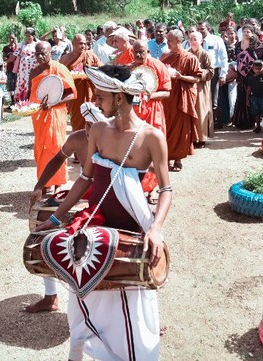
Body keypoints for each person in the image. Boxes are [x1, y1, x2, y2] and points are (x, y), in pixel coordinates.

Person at [35, 65, 172, 361]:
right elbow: (84, 179)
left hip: (131, 230)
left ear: (119, 98)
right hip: (96, 226)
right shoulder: (97, 130)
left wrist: (156, 229)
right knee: (84, 294)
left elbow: (165, 190)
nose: (96, 102)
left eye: (101, 97)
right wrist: (56, 218)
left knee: (129, 304)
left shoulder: (151, 137)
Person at [24, 102, 106, 314]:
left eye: (93, 126)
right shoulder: (78, 138)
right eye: (87, 125)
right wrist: (39, 186)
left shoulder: (115, 140)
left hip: (108, 196)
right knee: (43, 228)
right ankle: (50, 296)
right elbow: (59, 158)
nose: (89, 131)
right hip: (82, 192)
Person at [29, 41, 77, 196]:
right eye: (38, 53)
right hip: (38, 116)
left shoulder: (58, 69)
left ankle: (58, 183)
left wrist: (51, 103)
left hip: (55, 115)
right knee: (40, 150)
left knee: (56, 147)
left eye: (44, 53)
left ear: (51, 53)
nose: (41, 56)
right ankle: (45, 182)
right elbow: (32, 96)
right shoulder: (34, 71)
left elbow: (71, 94)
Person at [160, 28, 200, 172]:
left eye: (169, 40)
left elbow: (196, 78)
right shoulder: (165, 56)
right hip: (166, 98)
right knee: (166, 127)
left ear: (178, 41)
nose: (167, 42)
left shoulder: (190, 58)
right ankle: (166, 158)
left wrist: (180, 77)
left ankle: (178, 159)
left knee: (180, 129)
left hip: (182, 99)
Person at [60, 33, 102, 132]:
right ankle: (78, 141)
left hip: (89, 91)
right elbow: (60, 74)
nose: (83, 46)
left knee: (92, 117)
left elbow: (101, 68)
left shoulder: (90, 54)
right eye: (80, 43)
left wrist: (92, 70)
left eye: (84, 43)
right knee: (77, 118)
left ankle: (93, 142)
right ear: (73, 44)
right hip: (74, 94)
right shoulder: (65, 58)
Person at [129, 38, 171, 137]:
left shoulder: (157, 65)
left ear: (148, 52)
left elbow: (166, 93)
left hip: (153, 109)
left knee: (154, 142)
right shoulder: (129, 68)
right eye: (135, 52)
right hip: (134, 111)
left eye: (141, 52)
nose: (138, 55)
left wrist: (149, 96)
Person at [232, 25, 263, 129]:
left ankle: (255, 123)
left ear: (252, 33)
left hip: (254, 76)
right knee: (242, 96)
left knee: (254, 99)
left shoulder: (258, 46)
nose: (246, 33)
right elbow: (237, 59)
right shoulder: (238, 45)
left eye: (248, 31)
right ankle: (241, 121)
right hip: (241, 76)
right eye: (244, 31)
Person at [197, 21, 228, 129]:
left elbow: (224, 57)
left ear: (208, 29)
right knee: (201, 98)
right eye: (198, 29)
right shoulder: (195, 41)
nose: (200, 31)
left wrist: (223, 74)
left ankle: (212, 124)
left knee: (213, 99)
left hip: (213, 72)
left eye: (202, 29)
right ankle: (202, 123)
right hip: (199, 73)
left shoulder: (216, 40)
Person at [188, 31, 214, 146]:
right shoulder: (187, 53)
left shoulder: (205, 54)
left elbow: (211, 71)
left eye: (195, 39)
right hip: (189, 86)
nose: (193, 42)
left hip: (201, 87)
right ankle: (191, 137)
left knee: (200, 111)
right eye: (191, 39)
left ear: (201, 41)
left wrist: (200, 72)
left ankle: (202, 138)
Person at [13, 27, 39, 103]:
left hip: (32, 68)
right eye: (26, 36)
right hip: (22, 70)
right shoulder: (22, 45)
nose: (27, 38)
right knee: (22, 83)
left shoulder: (37, 45)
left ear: (33, 36)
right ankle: (22, 101)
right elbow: (15, 55)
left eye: (29, 36)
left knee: (30, 83)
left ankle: (31, 100)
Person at [246, 59, 263, 133]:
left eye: (259, 69)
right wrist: (247, 99)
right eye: (256, 69)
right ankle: (258, 126)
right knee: (256, 113)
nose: (258, 70)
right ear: (253, 69)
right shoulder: (251, 78)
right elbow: (249, 88)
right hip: (254, 97)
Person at [3, 33, 20, 99]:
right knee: (10, 84)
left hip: (17, 68)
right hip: (10, 68)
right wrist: (9, 59)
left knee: (17, 83)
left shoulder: (17, 47)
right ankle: (12, 100)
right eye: (10, 38)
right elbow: (4, 58)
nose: (11, 40)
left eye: (13, 38)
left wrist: (16, 44)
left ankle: (17, 99)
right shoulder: (6, 48)